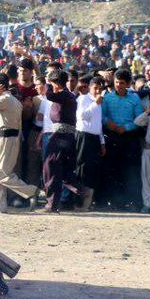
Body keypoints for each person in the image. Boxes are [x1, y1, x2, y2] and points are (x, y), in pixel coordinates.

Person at [0, 75, 39, 213]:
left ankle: (31, 191)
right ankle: (0, 206)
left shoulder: (5, 99)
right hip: (11, 138)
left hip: (5, 139)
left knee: (1, 174)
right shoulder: (15, 101)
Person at [40, 69, 92, 212]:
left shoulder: (63, 95)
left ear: (56, 83)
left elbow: (48, 94)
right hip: (67, 137)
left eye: (51, 83)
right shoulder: (67, 95)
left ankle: (52, 204)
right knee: (64, 170)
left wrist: (47, 83)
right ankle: (82, 191)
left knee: (50, 167)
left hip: (59, 137)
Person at [100, 68, 145, 210]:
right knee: (113, 170)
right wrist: (108, 123)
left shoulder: (134, 98)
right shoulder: (107, 98)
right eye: (117, 82)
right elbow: (101, 116)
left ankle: (131, 202)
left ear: (128, 84)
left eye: (122, 83)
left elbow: (138, 120)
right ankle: (114, 201)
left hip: (129, 138)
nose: (119, 85)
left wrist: (126, 127)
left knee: (130, 171)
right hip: (112, 137)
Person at [74, 74, 106, 194]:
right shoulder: (83, 99)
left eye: (100, 89)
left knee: (93, 168)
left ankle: (88, 200)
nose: (97, 91)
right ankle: (79, 199)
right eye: (95, 88)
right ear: (89, 87)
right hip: (83, 136)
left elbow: (98, 123)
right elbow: (81, 116)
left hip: (95, 138)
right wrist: (95, 104)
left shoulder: (98, 101)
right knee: (82, 166)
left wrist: (102, 142)